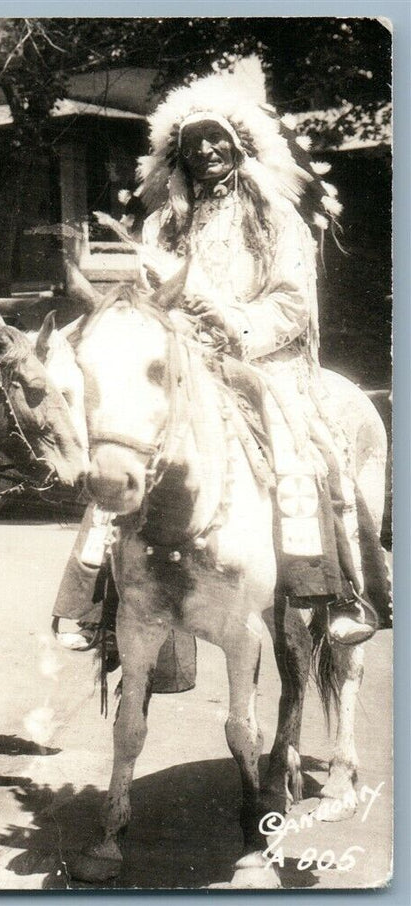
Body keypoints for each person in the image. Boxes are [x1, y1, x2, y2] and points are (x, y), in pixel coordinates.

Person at [54, 63, 377, 650]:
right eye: (191, 145)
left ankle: (334, 592)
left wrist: (233, 323)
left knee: (304, 448)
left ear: (240, 147)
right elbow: (149, 303)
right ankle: (97, 601)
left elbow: (293, 303)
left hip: (263, 362)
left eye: (216, 141)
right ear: (175, 159)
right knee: (125, 443)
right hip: (184, 361)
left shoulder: (276, 219)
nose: (204, 152)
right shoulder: (160, 225)